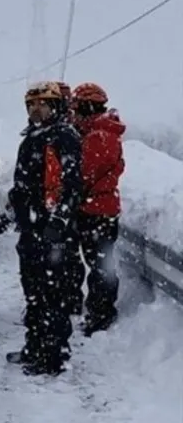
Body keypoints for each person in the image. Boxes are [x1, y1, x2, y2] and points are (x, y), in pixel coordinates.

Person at [0, 81, 84, 376]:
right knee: (33, 292)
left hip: (53, 230)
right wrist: (11, 215)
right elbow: (24, 187)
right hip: (31, 229)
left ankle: (54, 356)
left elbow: (73, 185)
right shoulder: (31, 139)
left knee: (53, 294)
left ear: (56, 106)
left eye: (43, 104)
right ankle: (35, 347)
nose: (36, 109)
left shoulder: (64, 137)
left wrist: (60, 219)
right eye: (31, 104)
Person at [71, 82, 125, 336]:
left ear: (88, 107)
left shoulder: (98, 137)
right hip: (100, 207)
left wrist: (72, 191)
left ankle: (101, 314)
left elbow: (85, 173)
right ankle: (99, 310)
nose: (74, 115)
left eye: (78, 108)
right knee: (100, 262)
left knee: (100, 264)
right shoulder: (102, 133)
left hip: (96, 209)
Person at [53, 82, 87, 314]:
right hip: (64, 201)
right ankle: (65, 298)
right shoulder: (63, 127)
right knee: (64, 255)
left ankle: (69, 299)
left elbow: (73, 173)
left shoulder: (68, 131)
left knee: (67, 255)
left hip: (67, 202)